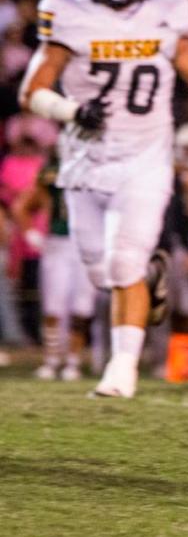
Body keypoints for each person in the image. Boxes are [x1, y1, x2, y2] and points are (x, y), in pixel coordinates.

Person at [18, 0, 188, 398]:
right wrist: (71, 111)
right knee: (99, 272)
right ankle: (150, 279)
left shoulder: (166, 14)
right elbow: (31, 91)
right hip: (84, 161)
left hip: (145, 158)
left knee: (122, 264)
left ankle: (123, 367)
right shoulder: (69, 15)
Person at [12, 153, 97, 381]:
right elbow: (23, 205)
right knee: (54, 305)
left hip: (87, 244)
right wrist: (31, 234)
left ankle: (73, 361)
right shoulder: (55, 170)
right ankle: (51, 360)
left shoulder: (99, 166)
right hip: (58, 243)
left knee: (82, 307)